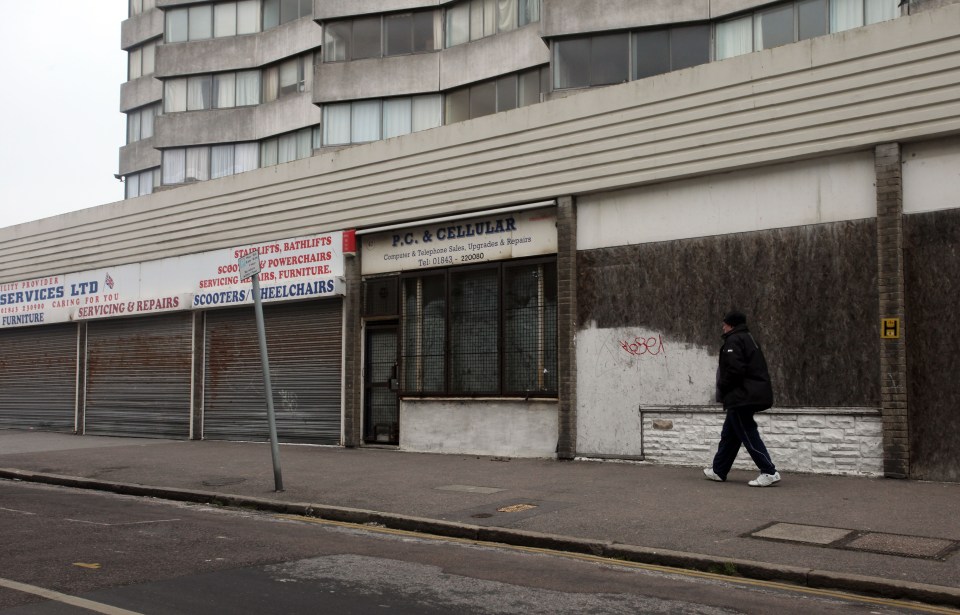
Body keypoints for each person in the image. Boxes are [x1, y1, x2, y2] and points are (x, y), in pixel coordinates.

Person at [703, 310, 781, 487]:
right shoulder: (748, 338)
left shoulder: (734, 340)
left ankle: (769, 471)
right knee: (730, 434)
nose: (722, 326)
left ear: (731, 324)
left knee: (747, 433)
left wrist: (722, 386)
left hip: (741, 396)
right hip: (745, 395)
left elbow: (735, 370)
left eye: (725, 323)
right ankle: (719, 470)